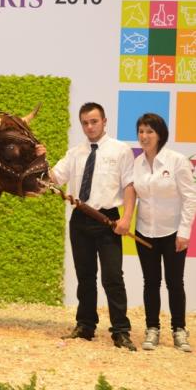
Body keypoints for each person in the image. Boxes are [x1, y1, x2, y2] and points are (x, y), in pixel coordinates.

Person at [50, 102, 137, 350]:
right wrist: (38, 156)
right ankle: (85, 326)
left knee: (113, 277)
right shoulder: (75, 153)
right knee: (85, 276)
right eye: (85, 123)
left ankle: (121, 331)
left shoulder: (121, 151)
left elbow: (130, 186)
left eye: (94, 121)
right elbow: (54, 177)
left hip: (108, 219)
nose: (90, 126)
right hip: (80, 220)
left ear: (104, 121)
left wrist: (126, 218)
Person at [133, 113, 196, 352]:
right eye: (140, 131)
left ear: (160, 134)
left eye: (149, 131)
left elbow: (190, 197)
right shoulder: (136, 164)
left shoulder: (177, 161)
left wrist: (184, 231)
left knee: (174, 282)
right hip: (144, 232)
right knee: (150, 282)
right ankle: (152, 329)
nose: (144, 136)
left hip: (172, 233)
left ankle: (179, 329)